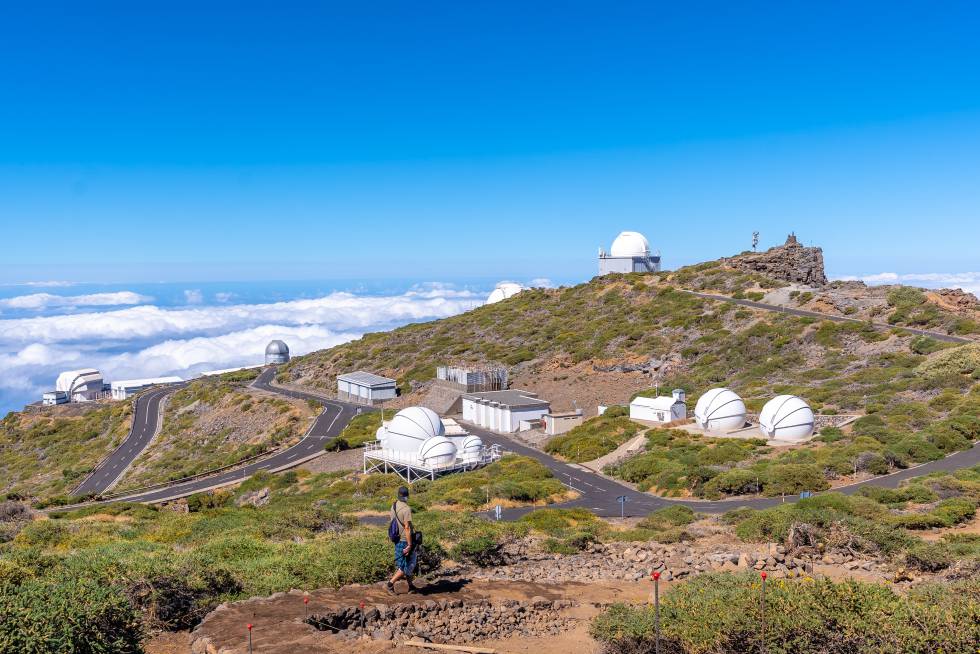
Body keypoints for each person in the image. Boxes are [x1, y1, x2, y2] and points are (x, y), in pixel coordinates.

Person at [387, 486, 417, 594]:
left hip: (397, 538)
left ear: (398, 495)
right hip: (405, 540)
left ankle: (411, 586)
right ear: (407, 496)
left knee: (406, 562)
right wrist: (409, 545)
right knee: (407, 565)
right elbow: (407, 527)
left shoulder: (394, 505)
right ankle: (390, 584)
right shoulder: (406, 509)